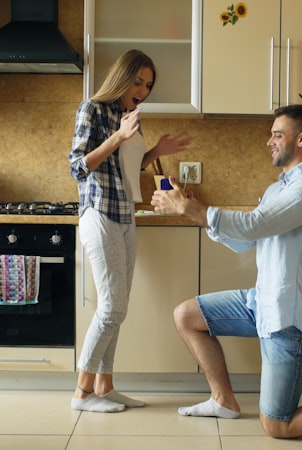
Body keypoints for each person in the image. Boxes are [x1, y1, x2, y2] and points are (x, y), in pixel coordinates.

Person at [150, 104, 302, 439]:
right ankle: (223, 400)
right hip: (261, 302)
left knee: (279, 425)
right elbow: (247, 239)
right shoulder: (277, 189)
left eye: (277, 135)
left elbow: (254, 224)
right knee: (187, 316)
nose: (269, 141)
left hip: (288, 317)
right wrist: (195, 213)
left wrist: (192, 208)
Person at [68, 49, 192, 413]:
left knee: (118, 308)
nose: (143, 90)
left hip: (125, 216)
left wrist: (155, 151)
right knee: (110, 308)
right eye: (138, 82)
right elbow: (77, 167)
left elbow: (127, 167)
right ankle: (82, 392)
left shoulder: (130, 117)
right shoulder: (92, 109)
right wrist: (119, 137)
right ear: (122, 78)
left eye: (148, 85)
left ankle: (105, 387)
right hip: (99, 214)